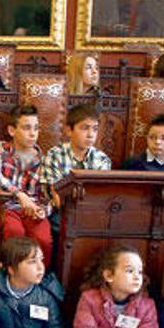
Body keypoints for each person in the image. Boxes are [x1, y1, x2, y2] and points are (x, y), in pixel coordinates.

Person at [38, 103, 110, 268]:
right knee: (60, 228)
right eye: (84, 128)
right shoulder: (54, 155)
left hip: (91, 213)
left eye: (95, 129)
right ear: (69, 131)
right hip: (61, 211)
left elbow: (99, 197)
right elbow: (56, 197)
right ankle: (56, 273)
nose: (91, 134)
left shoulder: (102, 159)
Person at [0, 105, 52, 267]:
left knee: (42, 239)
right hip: (6, 206)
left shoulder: (42, 158)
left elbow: (47, 193)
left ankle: (38, 279)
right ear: (12, 130)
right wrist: (19, 195)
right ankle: (12, 276)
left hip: (32, 209)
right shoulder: (1, 148)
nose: (33, 133)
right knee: (15, 233)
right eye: (26, 128)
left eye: (36, 128)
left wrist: (43, 210)